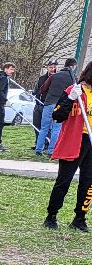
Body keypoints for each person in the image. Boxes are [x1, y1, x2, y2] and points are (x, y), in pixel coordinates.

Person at [44, 61, 92, 232]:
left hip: (91, 143)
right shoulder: (74, 90)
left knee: (88, 182)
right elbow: (57, 115)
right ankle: (51, 216)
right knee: (63, 181)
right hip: (74, 139)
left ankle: (80, 218)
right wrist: (71, 98)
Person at [37, 58, 75, 158]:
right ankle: (51, 151)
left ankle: (39, 149)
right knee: (56, 129)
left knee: (44, 128)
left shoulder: (54, 76)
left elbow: (43, 88)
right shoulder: (73, 78)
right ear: (73, 66)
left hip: (49, 103)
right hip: (60, 105)